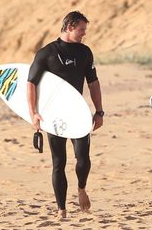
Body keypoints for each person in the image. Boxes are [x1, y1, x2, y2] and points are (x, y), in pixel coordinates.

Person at [27, 11, 104, 219]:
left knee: (83, 158)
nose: (84, 34)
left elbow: (93, 83)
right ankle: (61, 208)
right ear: (69, 27)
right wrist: (33, 113)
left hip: (77, 113)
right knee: (59, 162)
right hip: (54, 115)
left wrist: (99, 111)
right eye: (81, 29)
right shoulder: (46, 53)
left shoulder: (85, 52)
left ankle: (81, 188)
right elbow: (31, 83)